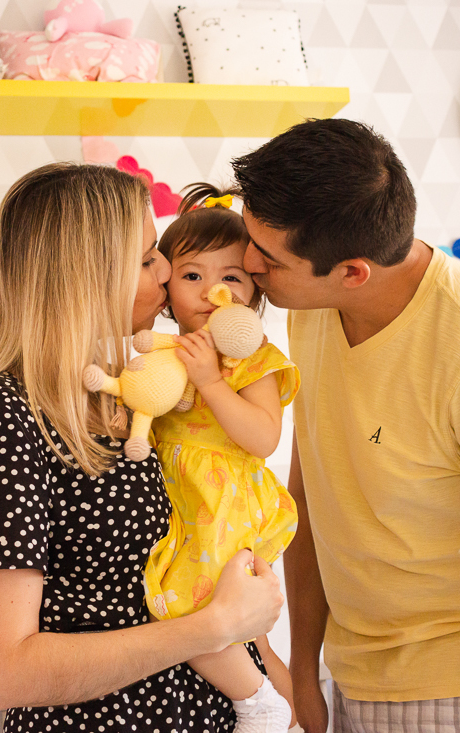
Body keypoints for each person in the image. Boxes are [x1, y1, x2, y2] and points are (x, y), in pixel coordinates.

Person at [233, 119, 460, 733]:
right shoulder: (314, 308)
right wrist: (304, 671)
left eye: (270, 258)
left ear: (353, 271)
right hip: (353, 677)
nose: (248, 263)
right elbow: (312, 501)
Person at [0, 163, 285, 733]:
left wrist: (281, 695)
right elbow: (7, 673)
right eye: (147, 259)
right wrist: (213, 629)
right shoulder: (1, 420)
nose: (167, 270)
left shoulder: (132, 388)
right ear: (86, 277)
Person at [142, 183, 301, 733]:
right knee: (241, 631)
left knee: (192, 605)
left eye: (230, 276)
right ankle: (289, 711)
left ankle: (258, 701)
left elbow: (261, 438)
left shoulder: (253, 358)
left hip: (222, 502)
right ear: (166, 291)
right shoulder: (157, 351)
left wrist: (211, 380)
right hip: (177, 499)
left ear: (254, 292)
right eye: (193, 275)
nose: (212, 291)